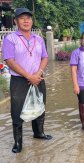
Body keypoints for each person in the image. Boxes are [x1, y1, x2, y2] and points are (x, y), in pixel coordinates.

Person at [2, 8, 52, 153]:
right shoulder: (10, 39)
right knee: (17, 110)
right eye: (22, 18)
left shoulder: (39, 39)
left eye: (28, 18)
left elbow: (45, 57)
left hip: (38, 77)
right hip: (19, 80)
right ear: (15, 21)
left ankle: (39, 133)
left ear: (32, 21)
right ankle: (18, 142)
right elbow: (10, 61)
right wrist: (29, 76)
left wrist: (38, 73)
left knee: (40, 105)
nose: (26, 21)